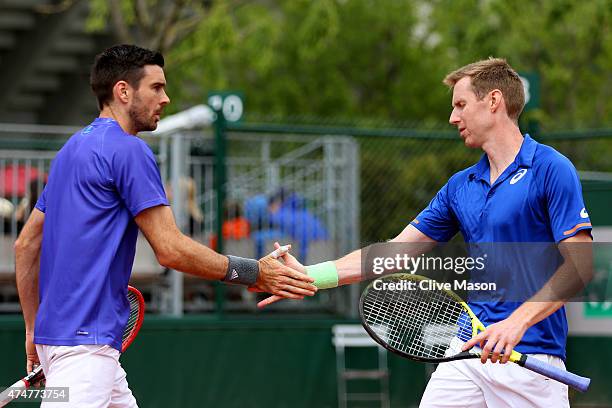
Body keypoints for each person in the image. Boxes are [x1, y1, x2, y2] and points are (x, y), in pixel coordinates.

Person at [261, 58, 592, 407]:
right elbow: (392, 253)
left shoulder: (550, 168)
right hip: (468, 350)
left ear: (494, 101)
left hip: (531, 357)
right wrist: (311, 275)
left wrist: (516, 322)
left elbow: (581, 267)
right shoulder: (459, 187)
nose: (453, 118)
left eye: (461, 105)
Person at [14, 44, 316, 408]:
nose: (167, 98)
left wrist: (34, 329)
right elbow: (170, 249)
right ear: (123, 91)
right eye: (156, 87)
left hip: (66, 339)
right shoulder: (129, 150)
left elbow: (25, 245)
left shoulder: (70, 152)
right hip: (85, 345)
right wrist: (253, 272)